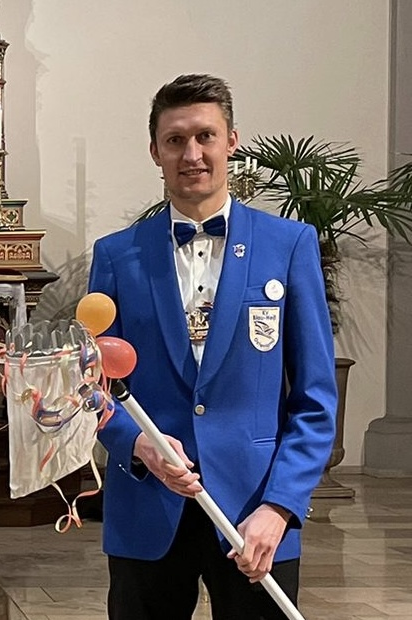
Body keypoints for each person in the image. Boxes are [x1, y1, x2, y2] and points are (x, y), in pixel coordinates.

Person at [88, 74, 336, 619]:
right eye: (175, 140)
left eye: (206, 136)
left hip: (255, 513)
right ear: (155, 151)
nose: (192, 154)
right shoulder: (117, 255)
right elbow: (94, 387)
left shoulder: (288, 246)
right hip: (149, 509)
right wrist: (137, 444)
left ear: (232, 142)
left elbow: (316, 398)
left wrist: (280, 507)